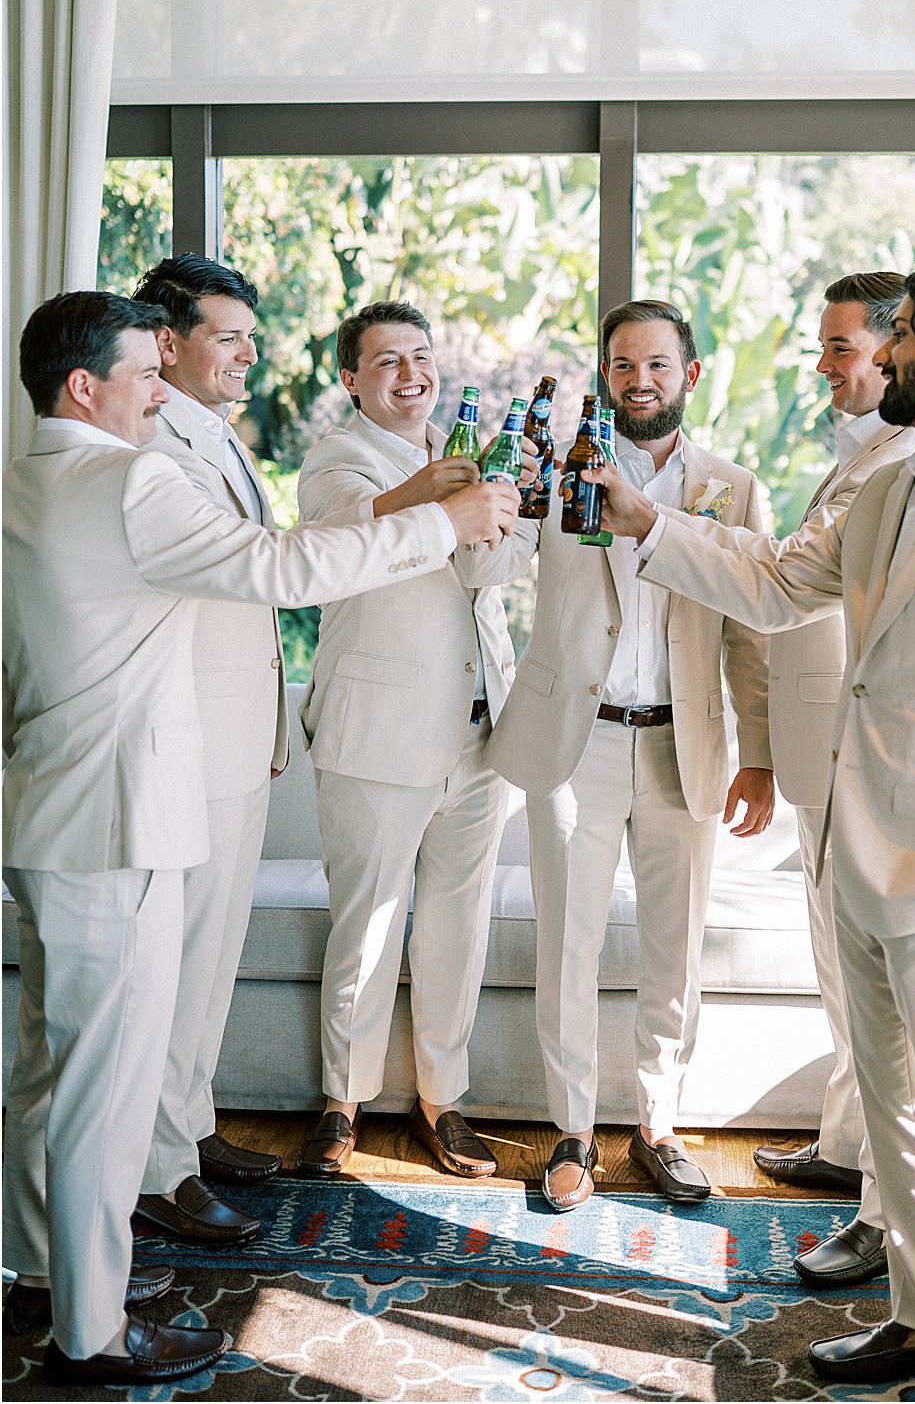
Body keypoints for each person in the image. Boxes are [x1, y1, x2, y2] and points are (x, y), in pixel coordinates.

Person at [2, 290, 518, 1387]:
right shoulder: (130, 477)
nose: (161, 387)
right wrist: (445, 523)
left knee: (47, 1066)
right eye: (147, 371)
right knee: (100, 1088)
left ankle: (42, 1270)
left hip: (45, 814)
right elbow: (284, 569)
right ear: (86, 387)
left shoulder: (18, 481)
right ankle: (91, 1333)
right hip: (121, 822)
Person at [589, 261, 915, 1399]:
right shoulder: (890, 484)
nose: (873, 358)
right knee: (892, 1110)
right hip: (856, 848)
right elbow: (774, 577)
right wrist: (648, 521)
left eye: (892, 338)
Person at [486, 299, 775, 1211]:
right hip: (578, 740)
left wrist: (758, 753)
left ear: (689, 376)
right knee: (567, 941)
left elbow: (748, 636)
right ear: (602, 376)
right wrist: (506, 486)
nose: (638, 380)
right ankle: (571, 1129)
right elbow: (487, 560)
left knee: (673, 946)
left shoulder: (732, 486)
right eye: (621, 365)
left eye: (656, 365)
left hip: (683, 744)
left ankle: (658, 1125)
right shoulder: (563, 474)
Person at [295, 301, 538, 1179]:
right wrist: (444, 496)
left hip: (480, 737)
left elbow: (496, 570)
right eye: (387, 359)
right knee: (365, 925)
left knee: (455, 927)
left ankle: (444, 1100)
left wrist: (517, 513)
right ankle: (341, 1102)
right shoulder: (337, 462)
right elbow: (337, 542)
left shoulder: (470, 452)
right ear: (351, 379)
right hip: (377, 735)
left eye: (422, 355)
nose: (411, 373)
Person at [751, 271, 915, 1289]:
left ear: (897, 352)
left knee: (876, 1013)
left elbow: (781, 585)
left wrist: (650, 525)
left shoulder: (899, 468)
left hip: (873, 773)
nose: (821, 366)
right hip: (828, 763)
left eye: (838, 348)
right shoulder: (865, 460)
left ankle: (883, 1216)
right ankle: (847, 1148)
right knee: (840, 987)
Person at [125, 254, 288, 1248]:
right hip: (187, 748)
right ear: (169, 344)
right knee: (177, 968)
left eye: (248, 338)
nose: (246, 355)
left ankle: (187, 1128)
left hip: (237, 746)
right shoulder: (160, 452)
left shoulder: (216, 439)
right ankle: (154, 1172)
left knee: (214, 961)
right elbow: (251, 573)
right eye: (227, 337)